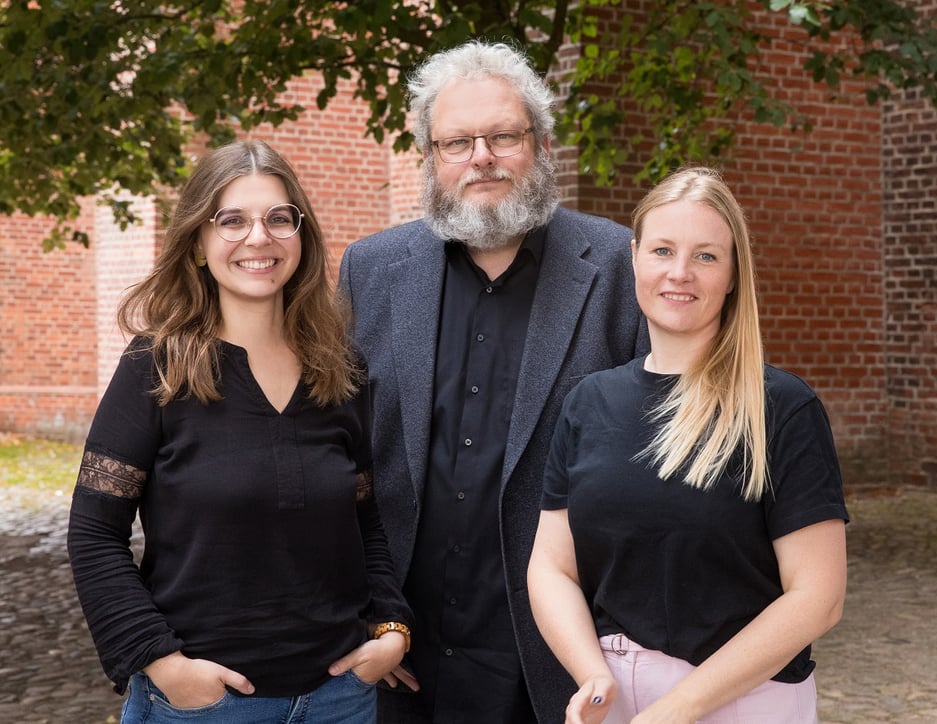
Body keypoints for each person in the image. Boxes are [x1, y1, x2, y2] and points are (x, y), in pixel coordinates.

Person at [337, 41, 649, 724]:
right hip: (399, 654)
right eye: (456, 142)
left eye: (503, 136)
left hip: (549, 664)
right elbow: (339, 454)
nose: (481, 156)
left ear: (539, 143)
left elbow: (654, 463)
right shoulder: (370, 271)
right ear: (431, 157)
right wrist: (358, 612)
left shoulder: (620, 270)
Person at [67, 140, 413, 723]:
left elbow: (363, 521)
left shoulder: (341, 372)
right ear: (199, 243)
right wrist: (163, 663)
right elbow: (94, 535)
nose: (260, 237)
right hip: (205, 706)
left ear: (302, 237)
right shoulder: (157, 367)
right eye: (232, 220)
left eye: (280, 218)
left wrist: (392, 628)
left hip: (339, 699)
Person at [527, 166, 849, 724]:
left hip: (745, 700)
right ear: (633, 257)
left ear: (732, 274)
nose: (680, 272)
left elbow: (817, 597)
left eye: (705, 256)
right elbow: (551, 567)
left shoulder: (781, 407)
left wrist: (677, 709)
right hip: (615, 700)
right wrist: (591, 674)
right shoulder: (588, 402)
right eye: (662, 250)